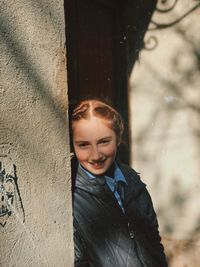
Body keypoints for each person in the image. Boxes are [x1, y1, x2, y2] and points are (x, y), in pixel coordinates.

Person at [70, 99, 168, 267]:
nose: (95, 155)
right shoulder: (71, 195)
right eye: (84, 145)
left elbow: (153, 238)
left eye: (104, 142)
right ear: (72, 145)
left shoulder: (130, 178)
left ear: (118, 139)